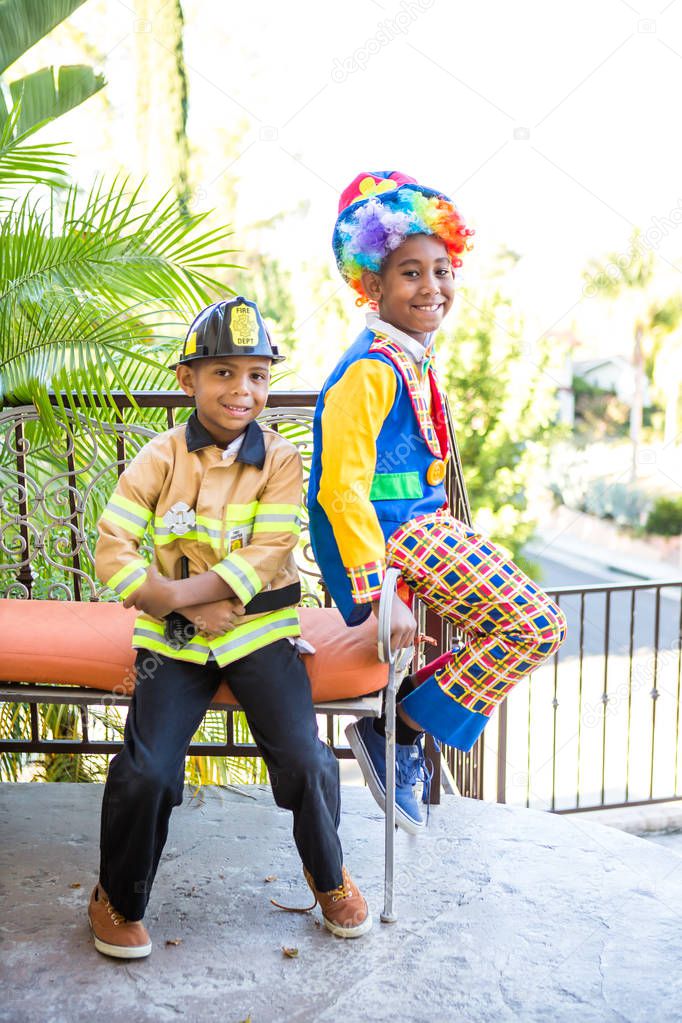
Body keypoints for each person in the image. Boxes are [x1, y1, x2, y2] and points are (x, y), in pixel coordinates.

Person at [89, 296, 371, 959]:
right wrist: (181, 609)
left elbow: (266, 553)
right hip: (173, 644)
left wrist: (178, 592)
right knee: (149, 768)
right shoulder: (159, 457)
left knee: (305, 756)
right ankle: (116, 896)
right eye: (222, 373)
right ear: (188, 380)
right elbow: (112, 549)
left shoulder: (279, 459)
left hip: (257, 634)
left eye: (256, 375)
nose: (241, 390)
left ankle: (327, 874)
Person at [308, 171, 568, 834]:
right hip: (399, 539)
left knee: (524, 623)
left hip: (425, 527)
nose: (433, 288)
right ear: (371, 284)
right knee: (534, 624)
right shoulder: (369, 369)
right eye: (411, 274)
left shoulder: (411, 356)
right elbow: (339, 487)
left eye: (443, 270)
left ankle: (399, 729)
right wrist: (378, 594)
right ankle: (397, 731)